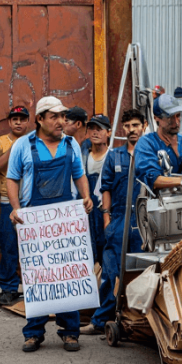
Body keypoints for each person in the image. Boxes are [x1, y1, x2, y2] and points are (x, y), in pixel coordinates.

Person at [6, 96, 94, 353]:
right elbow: (12, 179)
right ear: (40, 119)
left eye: (63, 116)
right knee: (38, 278)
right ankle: (34, 333)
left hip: (65, 219)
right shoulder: (23, 145)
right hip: (35, 220)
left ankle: (70, 332)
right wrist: (15, 208)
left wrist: (86, 196)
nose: (61, 121)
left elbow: (79, 175)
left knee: (68, 275)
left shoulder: (71, 145)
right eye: (54, 117)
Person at [82, 108, 147, 336]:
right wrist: (107, 219)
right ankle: (100, 321)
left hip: (144, 223)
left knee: (144, 272)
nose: (132, 130)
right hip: (118, 220)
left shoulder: (150, 154)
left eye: (136, 126)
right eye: (127, 126)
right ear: (122, 130)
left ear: (144, 126)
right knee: (111, 272)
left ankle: (140, 322)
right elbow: (105, 187)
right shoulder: (115, 155)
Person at [0, 105, 31, 308]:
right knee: (9, 247)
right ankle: (8, 289)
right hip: (8, 202)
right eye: (15, 119)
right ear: (9, 122)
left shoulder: (35, 141)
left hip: (31, 201)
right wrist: (14, 148)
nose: (18, 122)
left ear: (29, 122)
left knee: (33, 248)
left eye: (22, 119)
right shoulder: (0, 142)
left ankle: (35, 288)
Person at [139, 93, 182, 189]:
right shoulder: (147, 143)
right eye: (169, 117)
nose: (176, 122)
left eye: (178, 116)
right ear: (156, 117)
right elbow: (152, 179)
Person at [81, 114, 112, 275]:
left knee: (107, 251)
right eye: (91, 128)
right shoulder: (82, 157)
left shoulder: (113, 157)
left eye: (99, 129)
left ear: (108, 132)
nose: (94, 132)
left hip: (106, 211)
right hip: (87, 212)